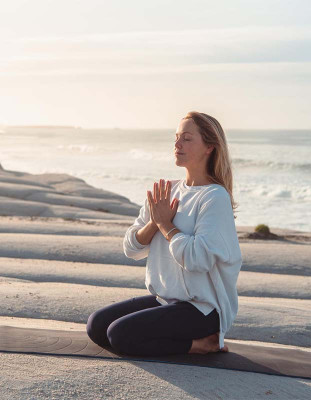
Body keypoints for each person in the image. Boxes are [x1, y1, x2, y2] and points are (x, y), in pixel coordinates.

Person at [86, 111, 242, 356]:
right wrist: (155, 223)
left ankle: (202, 344)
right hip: (165, 299)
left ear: (209, 147)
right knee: (97, 326)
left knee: (120, 335)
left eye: (187, 139)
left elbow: (197, 259)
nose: (177, 145)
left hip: (201, 309)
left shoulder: (214, 197)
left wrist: (166, 226)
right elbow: (131, 248)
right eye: (176, 138)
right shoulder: (167, 190)